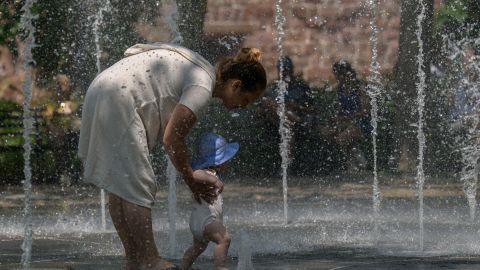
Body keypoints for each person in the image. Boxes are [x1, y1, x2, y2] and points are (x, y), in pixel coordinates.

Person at [78, 43, 266, 270]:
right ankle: (150, 259)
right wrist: (190, 176)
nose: (243, 106)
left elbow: (134, 52)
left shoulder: (199, 67)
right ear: (236, 85)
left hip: (101, 89)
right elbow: (172, 138)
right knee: (139, 184)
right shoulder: (202, 85)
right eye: (246, 99)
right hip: (119, 98)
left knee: (121, 185)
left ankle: (134, 260)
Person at [180, 132, 238, 270]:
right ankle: (219, 267)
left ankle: (183, 267)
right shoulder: (206, 172)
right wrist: (214, 180)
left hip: (198, 220)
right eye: (226, 158)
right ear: (219, 160)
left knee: (199, 247)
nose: (228, 161)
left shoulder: (210, 172)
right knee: (224, 239)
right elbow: (195, 174)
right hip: (206, 221)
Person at [258, 55, 316, 175]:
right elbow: (260, 111)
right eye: (281, 69)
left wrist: (295, 106)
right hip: (275, 123)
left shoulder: (301, 88)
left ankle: (286, 165)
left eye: (286, 69)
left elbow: (313, 109)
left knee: (287, 127)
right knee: (269, 102)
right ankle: (287, 165)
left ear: (291, 70)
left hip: (299, 123)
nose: (283, 72)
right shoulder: (273, 88)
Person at [321, 60, 371, 171]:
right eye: (337, 75)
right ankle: (356, 153)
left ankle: (352, 162)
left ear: (348, 73)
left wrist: (347, 117)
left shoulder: (360, 87)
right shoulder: (341, 89)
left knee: (341, 138)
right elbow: (339, 110)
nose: (338, 78)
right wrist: (334, 119)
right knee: (326, 133)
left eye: (340, 74)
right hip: (346, 122)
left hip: (361, 123)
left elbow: (365, 111)